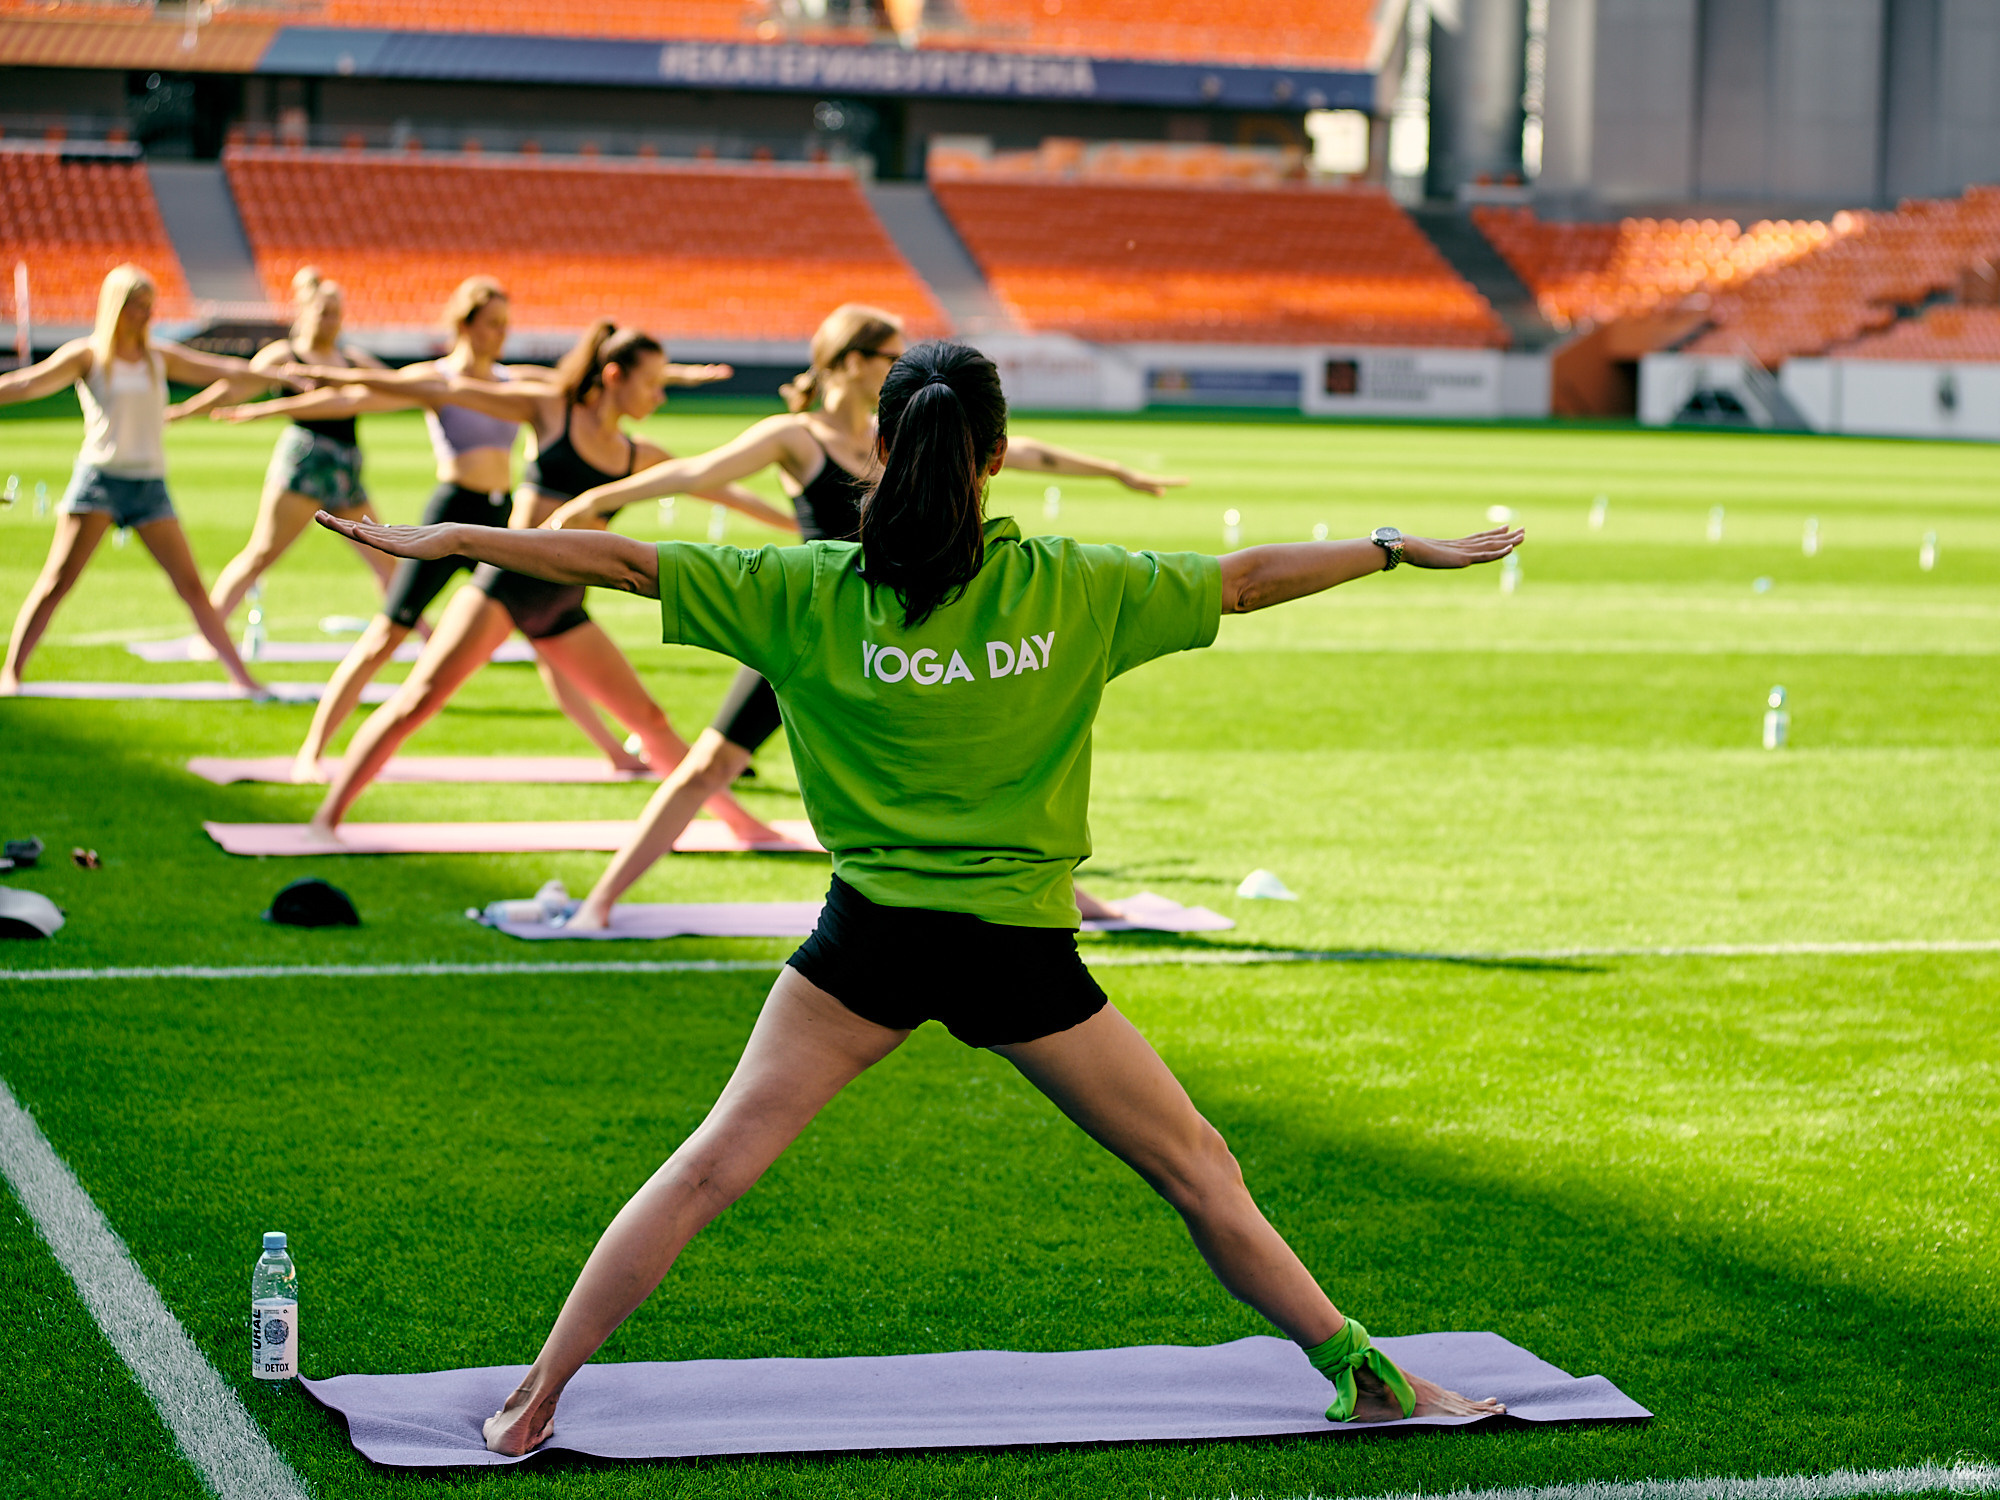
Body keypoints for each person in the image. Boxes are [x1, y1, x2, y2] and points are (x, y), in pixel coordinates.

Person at [316, 338, 1524, 1454]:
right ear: (995, 456)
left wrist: (467, 541)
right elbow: (1248, 580)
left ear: (883, 448)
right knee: (1197, 1170)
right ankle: (1363, 1372)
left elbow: (627, 561)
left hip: (867, 947)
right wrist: (1387, 546)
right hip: (1017, 957)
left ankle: (535, 1400)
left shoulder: (804, 589)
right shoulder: (1073, 585)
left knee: (705, 1170)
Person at [537, 302, 1187, 930]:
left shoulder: (910, 430)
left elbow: (1026, 451)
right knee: (710, 764)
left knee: (955, 770)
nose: (903, 364)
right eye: (889, 353)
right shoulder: (797, 437)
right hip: (820, 629)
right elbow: (691, 473)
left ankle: (1071, 895)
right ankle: (602, 899)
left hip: (908, 625)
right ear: (847, 362)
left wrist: (1116, 472)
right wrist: (595, 498)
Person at [214, 277, 735, 781]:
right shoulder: (442, 378)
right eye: (491, 324)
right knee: (385, 635)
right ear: (464, 325)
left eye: (506, 325)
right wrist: (295, 397)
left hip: (504, 517)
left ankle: (614, 752)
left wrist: (682, 376)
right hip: (452, 510)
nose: (500, 335)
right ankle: (313, 751)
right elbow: (372, 391)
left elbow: (591, 377)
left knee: (550, 638)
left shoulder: (514, 379)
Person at [298, 321, 789, 844]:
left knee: (649, 717)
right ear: (614, 375)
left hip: (562, 604)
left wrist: (801, 523)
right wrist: (331, 374)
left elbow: (724, 492)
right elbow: (447, 390)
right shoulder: (551, 411)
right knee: (417, 699)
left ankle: (743, 826)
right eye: (651, 383)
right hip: (504, 589)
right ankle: (325, 820)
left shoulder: (639, 455)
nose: (660, 395)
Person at [0, 264, 274, 695]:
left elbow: (217, 368)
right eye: (137, 306)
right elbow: (27, 384)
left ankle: (245, 682)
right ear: (116, 307)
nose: (146, 314)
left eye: (150, 306)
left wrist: (278, 375)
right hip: (99, 482)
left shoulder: (158, 356)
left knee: (192, 587)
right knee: (57, 582)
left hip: (149, 486)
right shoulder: (87, 355)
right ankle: (11, 673)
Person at [180, 267, 397, 628]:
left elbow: (396, 385)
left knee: (383, 553)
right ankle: (211, 629)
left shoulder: (352, 359)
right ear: (305, 313)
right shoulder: (286, 353)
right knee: (263, 552)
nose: (330, 322)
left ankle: (420, 634)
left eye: (336, 315)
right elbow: (237, 386)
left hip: (345, 468)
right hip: (305, 464)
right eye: (323, 313)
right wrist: (186, 410)